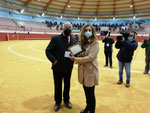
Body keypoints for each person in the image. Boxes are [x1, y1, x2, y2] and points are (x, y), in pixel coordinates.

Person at [45, 22, 77, 111]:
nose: (68, 28)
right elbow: (48, 51)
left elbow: (77, 54)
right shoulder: (55, 39)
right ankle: (58, 102)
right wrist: (54, 60)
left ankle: (66, 100)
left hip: (68, 67)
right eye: (66, 27)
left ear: (72, 29)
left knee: (67, 85)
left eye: (69, 27)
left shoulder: (74, 41)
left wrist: (79, 53)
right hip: (57, 67)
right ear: (63, 28)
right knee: (58, 85)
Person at [69, 24, 99, 113]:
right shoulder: (83, 42)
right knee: (86, 91)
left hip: (90, 70)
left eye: (90, 30)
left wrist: (76, 59)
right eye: (86, 30)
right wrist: (79, 54)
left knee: (91, 93)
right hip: (83, 70)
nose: (88, 32)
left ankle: (92, 110)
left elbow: (90, 57)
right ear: (83, 32)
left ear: (92, 32)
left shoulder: (95, 43)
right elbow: (84, 54)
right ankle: (88, 107)